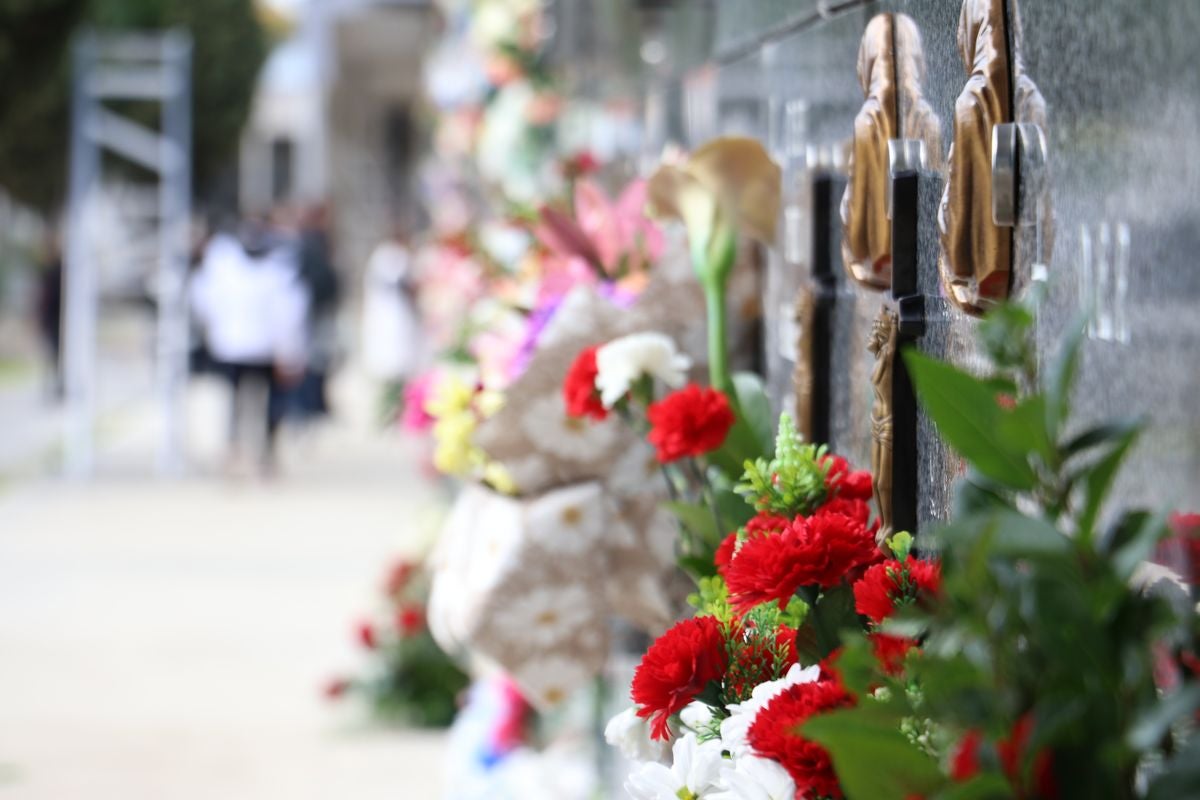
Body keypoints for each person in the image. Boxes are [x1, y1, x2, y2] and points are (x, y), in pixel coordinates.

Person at [190, 217, 309, 474]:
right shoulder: (272, 269)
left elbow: (204, 300)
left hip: (243, 347)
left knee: (244, 403)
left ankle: (247, 451)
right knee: (252, 403)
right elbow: (290, 313)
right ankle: (254, 453)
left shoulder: (228, 266)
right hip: (252, 347)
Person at [361, 223, 422, 391]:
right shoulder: (389, 256)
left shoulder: (391, 255)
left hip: (395, 315)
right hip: (390, 316)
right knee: (391, 358)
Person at [294, 203, 341, 419]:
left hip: (316, 307)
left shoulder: (309, 241)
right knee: (314, 357)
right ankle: (309, 403)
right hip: (315, 308)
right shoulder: (312, 242)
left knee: (318, 357)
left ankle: (313, 402)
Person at [34, 230, 64, 402]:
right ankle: (52, 387)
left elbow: (52, 297)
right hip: (49, 320)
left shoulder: (58, 270)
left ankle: (58, 387)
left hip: (56, 320)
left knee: (55, 354)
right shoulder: (48, 270)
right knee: (50, 354)